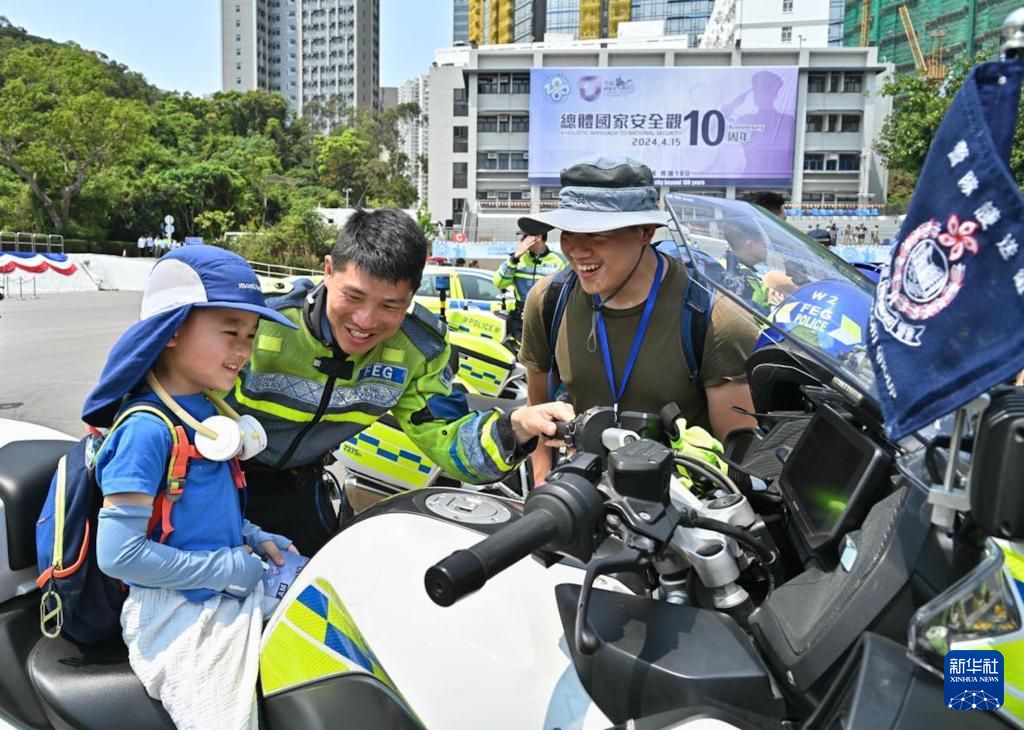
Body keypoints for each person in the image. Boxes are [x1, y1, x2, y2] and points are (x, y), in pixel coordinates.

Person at [227, 209, 573, 553]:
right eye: (354, 296)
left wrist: (515, 427)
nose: (365, 321)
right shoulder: (261, 315)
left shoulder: (419, 351)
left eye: (390, 306)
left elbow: (450, 440)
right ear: (328, 271)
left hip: (298, 489)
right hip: (212, 478)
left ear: (411, 297)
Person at [82, 246, 300, 729]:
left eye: (250, 334)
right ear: (174, 329)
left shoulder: (209, 413)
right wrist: (224, 568)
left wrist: (250, 535)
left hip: (221, 586)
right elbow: (119, 555)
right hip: (175, 614)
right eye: (229, 331)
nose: (243, 349)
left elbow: (191, 512)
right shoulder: (146, 429)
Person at [517, 156, 758, 486]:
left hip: (683, 516)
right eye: (570, 231)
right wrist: (543, 491)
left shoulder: (715, 318)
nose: (577, 250)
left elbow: (738, 460)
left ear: (645, 232)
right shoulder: (548, 301)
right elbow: (538, 413)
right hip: (583, 502)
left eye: (597, 233)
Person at [492, 230, 567, 341]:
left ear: (537, 237)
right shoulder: (518, 259)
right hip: (520, 317)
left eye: (524, 237)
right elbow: (499, 282)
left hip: (548, 318)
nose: (521, 241)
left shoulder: (560, 261)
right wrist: (514, 259)